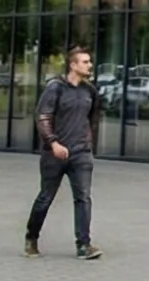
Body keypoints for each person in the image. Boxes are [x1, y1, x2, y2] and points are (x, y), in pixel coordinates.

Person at [25, 46, 103, 260]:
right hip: (55, 154)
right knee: (45, 197)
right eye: (85, 62)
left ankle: (84, 245)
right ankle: (31, 237)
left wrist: (88, 145)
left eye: (89, 61)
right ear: (73, 64)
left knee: (83, 198)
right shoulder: (55, 88)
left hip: (80, 154)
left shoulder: (89, 91)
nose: (89, 65)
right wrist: (53, 143)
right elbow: (43, 117)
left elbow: (92, 120)